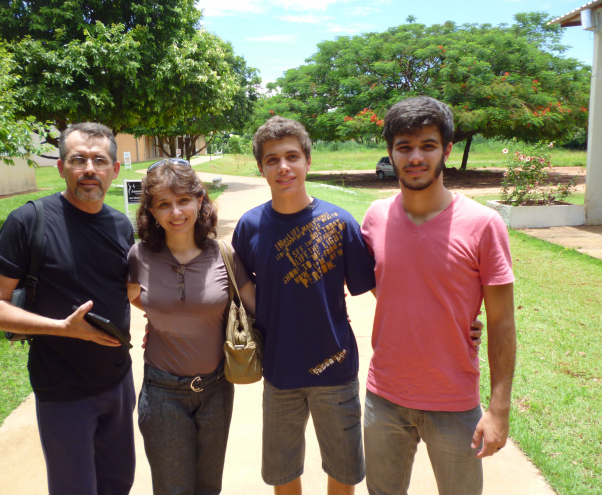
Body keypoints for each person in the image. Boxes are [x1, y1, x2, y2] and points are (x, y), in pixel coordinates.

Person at [361, 96, 517, 495]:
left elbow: (501, 321)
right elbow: (387, 284)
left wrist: (499, 410)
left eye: (428, 145)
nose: (415, 157)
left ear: (446, 150)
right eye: (404, 146)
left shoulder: (484, 225)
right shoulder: (375, 217)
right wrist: (436, 313)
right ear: (391, 152)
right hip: (385, 399)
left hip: (455, 404)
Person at [0, 123, 136, 495]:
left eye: (99, 160)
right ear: (61, 166)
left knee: (118, 483)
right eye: (78, 159)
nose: (89, 170)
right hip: (63, 390)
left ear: (114, 170)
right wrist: (63, 328)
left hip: (118, 381)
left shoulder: (120, 225)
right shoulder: (29, 221)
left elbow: (130, 291)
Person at [232, 116, 376, 495]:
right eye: (272, 159)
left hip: (336, 370)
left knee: (344, 472)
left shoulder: (340, 222)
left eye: (292, 156)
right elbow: (242, 285)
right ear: (261, 168)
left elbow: (375, 290)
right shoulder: (250, 226)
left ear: (308, 162)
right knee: (282, 473)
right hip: (280, 373)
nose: (283, 167)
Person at [127, 159, 256, 495]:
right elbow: (133, 297)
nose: (176, 212)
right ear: (152, 212)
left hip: (216, 390)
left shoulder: (224, 255)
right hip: (163, 392)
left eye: (183, 200)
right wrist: (162, 319)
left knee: (209, 486)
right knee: (173, 488)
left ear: (200, 201)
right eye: (164, 204)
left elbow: (259, 308)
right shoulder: (139, 256)